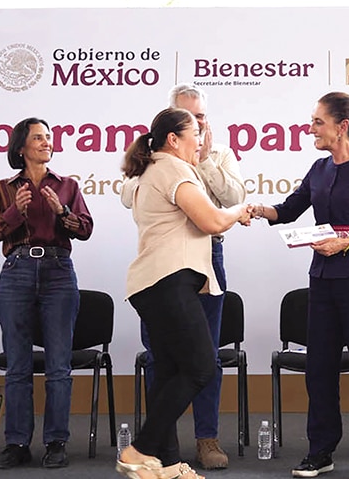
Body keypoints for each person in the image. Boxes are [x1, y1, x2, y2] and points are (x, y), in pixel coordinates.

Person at [249, 92, 349, 479]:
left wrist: (345, 242)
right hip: (323, 279)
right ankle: (321, 451)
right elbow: (289, 210)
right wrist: (258, 210)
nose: (310, 128)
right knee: (319, 369)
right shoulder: (319, 168)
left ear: (341, 126)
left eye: (317, 122)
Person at [115, 107, 250, 479]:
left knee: (170, 372)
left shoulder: (151, 168)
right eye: (196, 133)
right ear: (173, 139)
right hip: (168, 281)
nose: (202, 142)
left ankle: (170, 466)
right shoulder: (173, 168)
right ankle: (138, 450)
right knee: (202, 367)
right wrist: (240, 209)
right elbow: (210, 220)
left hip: (154, 284)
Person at [0, 117, 94, 469]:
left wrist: (62, 212)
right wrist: (18, 209)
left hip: (58, 271)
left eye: (49, 136)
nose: (47, 142)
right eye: (39, 138)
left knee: (58, 365)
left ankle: (56, 441)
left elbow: (86, 229)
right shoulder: (4, 187)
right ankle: (16, 443)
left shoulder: (67, 185)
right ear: (21, 148)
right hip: (16, 271)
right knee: (17, 365)